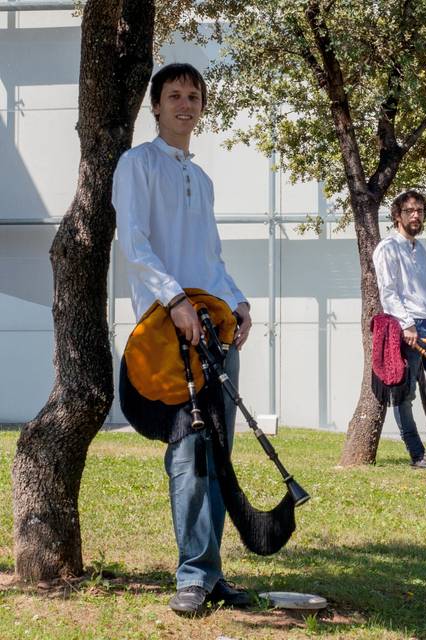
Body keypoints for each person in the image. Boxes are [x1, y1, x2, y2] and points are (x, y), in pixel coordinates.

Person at [113, 63, 253, 616]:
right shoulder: (137, 164)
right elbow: (135, 242)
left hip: (215, 329)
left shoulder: (205, 177)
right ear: (156, 105)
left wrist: (237, 299)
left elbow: (212, 259)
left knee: (219, 452)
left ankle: (212, 574)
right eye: (175, 95)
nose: (185, 104)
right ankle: (192, 575)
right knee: (189, 450)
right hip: (167, 332)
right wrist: (173, 300)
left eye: (194, 96)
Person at [373, 190, 426, 468]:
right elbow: (388, 292)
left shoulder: (420, 249)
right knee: (405, 393)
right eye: (409, 210)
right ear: (397, 215)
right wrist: (406, 324)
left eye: (420, 210)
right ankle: (417, 454)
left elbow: (419, 291)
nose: (416, 215)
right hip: (406, 326)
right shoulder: (387, 248)